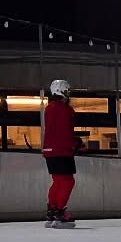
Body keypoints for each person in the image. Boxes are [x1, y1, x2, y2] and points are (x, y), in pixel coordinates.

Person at [41, 78, 85, 227]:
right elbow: (65, 131)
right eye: (68, 91)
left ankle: (52, 209)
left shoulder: (49, 108)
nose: (69, 94)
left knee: (57, 180)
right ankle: (59, 211)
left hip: (49, 150)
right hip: (62, 150)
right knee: (67, 181)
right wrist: (76, 144)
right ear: (62, 91)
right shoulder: (65, 110)